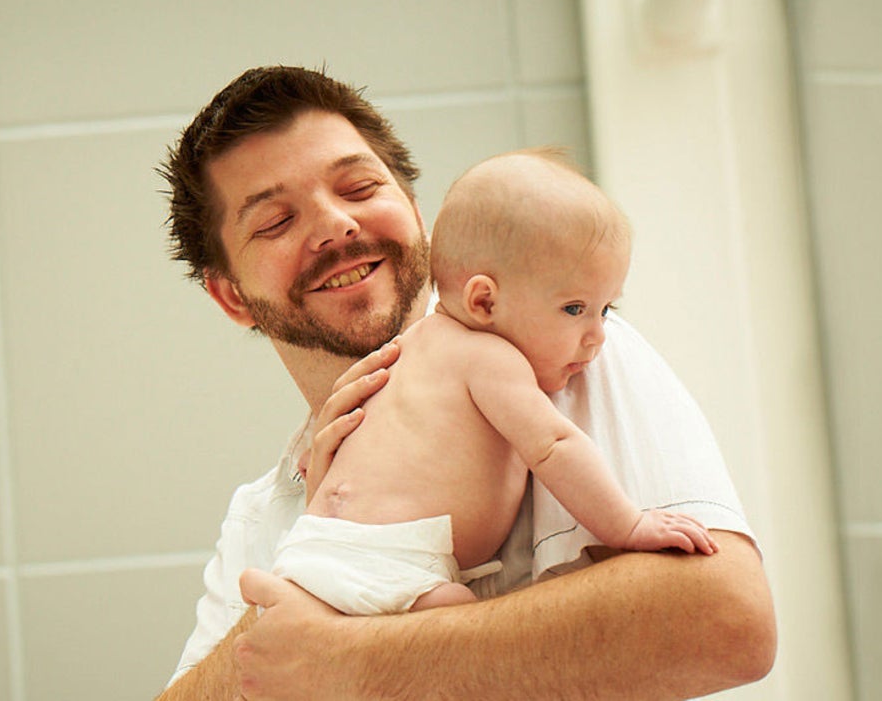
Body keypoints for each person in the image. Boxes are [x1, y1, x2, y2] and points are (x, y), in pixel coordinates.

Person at [157, 65, 775, 701]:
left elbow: (728, 621)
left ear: (419, 216)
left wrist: (349, 659)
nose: (336, 224)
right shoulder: (261, 518)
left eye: (361, 186)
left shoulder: (559, 353)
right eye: (275, 221)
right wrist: (279, 621)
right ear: (232, 296)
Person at [271, 147, 718, 617]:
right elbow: (554, 446)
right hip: (393, 562)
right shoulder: (488, 357)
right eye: (574, 309)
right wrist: (628, 525)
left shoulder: (411, 348)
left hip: (310, 549)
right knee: (462, 621)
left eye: (606, 310)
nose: (598, 336)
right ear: (484, 301)